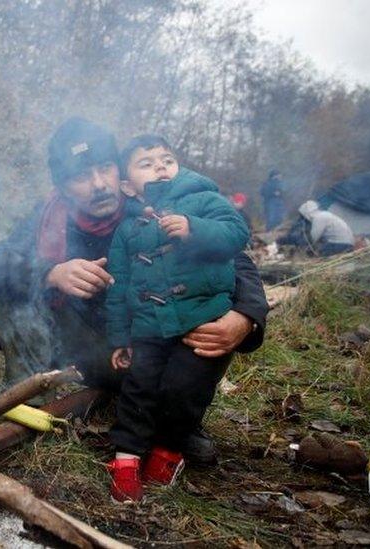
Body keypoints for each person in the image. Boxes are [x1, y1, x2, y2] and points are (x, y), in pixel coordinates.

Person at [0, 117, 268, 465]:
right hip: (86, 350)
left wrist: (247, 317)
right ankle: (25, 406)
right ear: (64, 186)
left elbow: (235, 258)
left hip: (155, 349)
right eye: (82, 176)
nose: (99, 184)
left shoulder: (155, 204)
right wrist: (51, 273)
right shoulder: (48, 217)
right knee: (16, 289)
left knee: (203, 310)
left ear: (121, 172)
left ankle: (175, 424)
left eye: (105, 168)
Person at [104, 135, 250, 503]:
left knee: (184, 390)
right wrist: (120, 338)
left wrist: (194, 229)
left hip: (200, 323)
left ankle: (169, 452)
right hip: (149, 327)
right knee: (139, 388)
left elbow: (237, 233)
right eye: (146, 163)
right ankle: (125, 459)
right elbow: (118, 286)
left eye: (166, 159)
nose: (159, 166)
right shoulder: (127, 229)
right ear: (127, 186)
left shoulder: (204, 200)